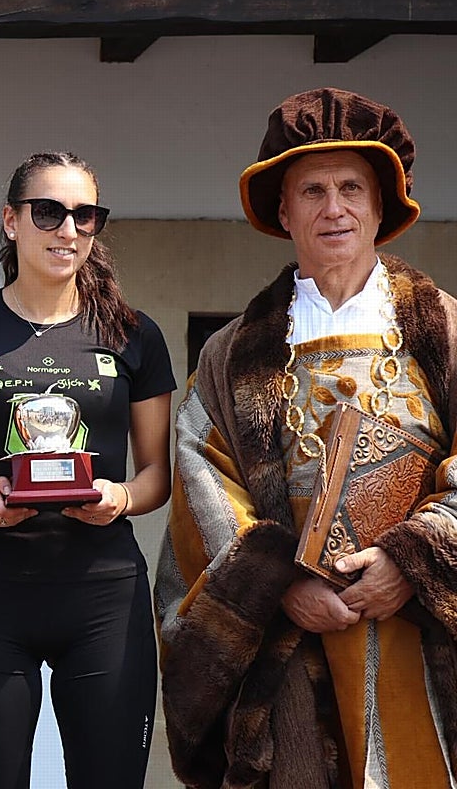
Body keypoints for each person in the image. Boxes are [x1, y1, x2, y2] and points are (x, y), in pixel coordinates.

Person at [156, 87, 457, 787]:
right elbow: (202, 481)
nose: (334, 208)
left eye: (352, 187)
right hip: (290, 645)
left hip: (421, 636)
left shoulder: (445, 331)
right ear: (282, 211)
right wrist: (277, 586)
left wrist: (413, 561)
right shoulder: (231, 353)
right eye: (312, 190)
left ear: (383, 206)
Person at [0, 152, 175, 789]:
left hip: (104, 595)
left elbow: (157, 475)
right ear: (11, 221)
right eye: (49, 211)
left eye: (86, 216)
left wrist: (119, 497)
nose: (68, 229)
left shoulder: (135, 335)